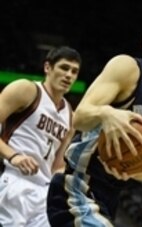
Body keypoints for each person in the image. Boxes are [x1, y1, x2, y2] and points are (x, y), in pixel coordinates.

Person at [46, 13, 142, 227]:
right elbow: (80, 118)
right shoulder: (127, 69)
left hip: (110, 197)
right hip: (74, 187)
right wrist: (107, 113)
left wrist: (131, 168)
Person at [0, 46, 81, 227]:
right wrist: (14, 156)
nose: (69, 75)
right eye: (64, 68)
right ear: (47, 68)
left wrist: (71, 181)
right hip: (13, 180)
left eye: (74, 71)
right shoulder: (26, 90)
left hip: (43, 193)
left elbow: (57, 165)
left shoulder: (71, 116)